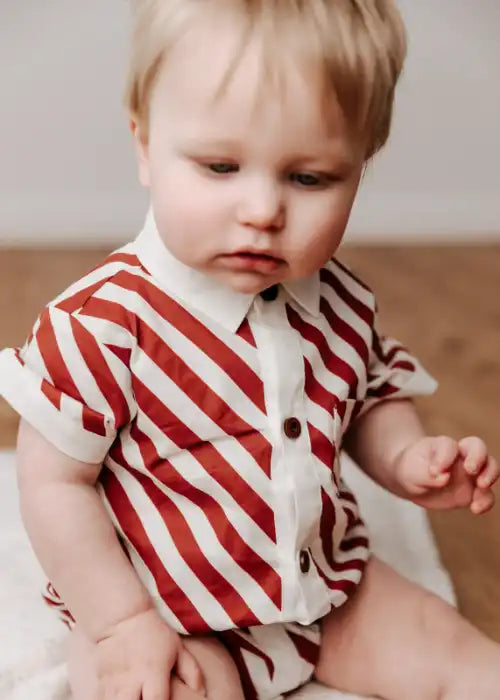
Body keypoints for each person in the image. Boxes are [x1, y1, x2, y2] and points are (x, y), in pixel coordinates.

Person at [1, 1, 499, 698]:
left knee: (460, 656)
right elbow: (52, 483)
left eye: (309, 179)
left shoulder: (341, 302)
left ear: (361, 166)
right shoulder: (104, 323)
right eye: (221, 166)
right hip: (168, 605)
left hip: (325, 588)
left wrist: (408, 459)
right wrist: (120, 624)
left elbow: (369, 397)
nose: (262, 210)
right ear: (145, 144)